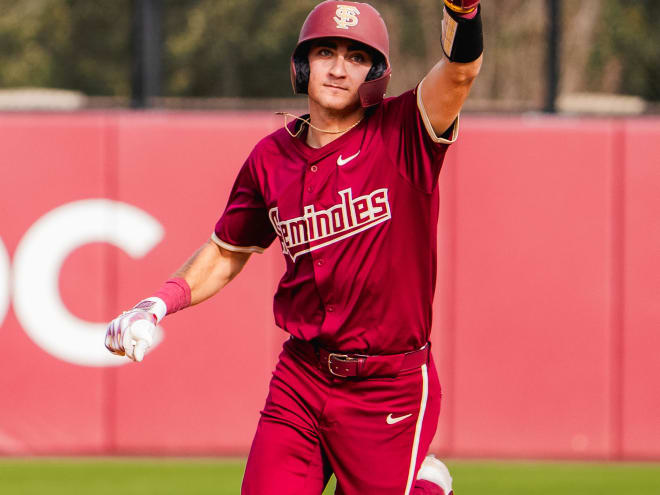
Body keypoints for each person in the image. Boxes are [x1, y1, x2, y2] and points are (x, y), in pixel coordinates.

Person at [105, 1, 483, 493]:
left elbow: (460, 72)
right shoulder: (271, 156)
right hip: (302, 376)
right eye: (326, 51)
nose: (339, 68)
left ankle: (425, 487)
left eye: (357, 56)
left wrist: (465, 10)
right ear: (302, 66)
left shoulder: (405, 129)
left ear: (377, 73)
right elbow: (226, 251)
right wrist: (155, 304)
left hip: (386, 385)